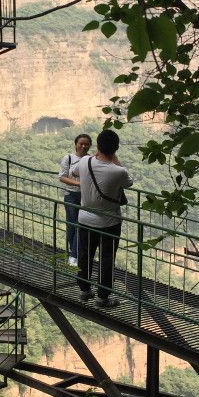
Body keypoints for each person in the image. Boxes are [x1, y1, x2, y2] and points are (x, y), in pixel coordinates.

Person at [74, 129, 132, 308]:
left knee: (85, 255)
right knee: (106, 259)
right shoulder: (119, 171)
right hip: (109, 223)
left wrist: (94, 157)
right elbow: (128, 183)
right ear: (116, 149)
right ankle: (102, 297)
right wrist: (114, 159)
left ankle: (84, 290)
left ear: (97, 146)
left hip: (84, 219)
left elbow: (74, 172)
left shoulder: (84, 161)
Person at [58, 134, 92, 266]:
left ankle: (74, 256)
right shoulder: (69, 158)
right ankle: (74, 252)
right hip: (71, 194)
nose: (83, 146)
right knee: (72, 224)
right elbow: (62, 177)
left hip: (86, 196)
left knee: (80, 224)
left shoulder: (91, 159)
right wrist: (78, 184)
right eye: (81, 143)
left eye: (86, 144)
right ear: (76, 144)